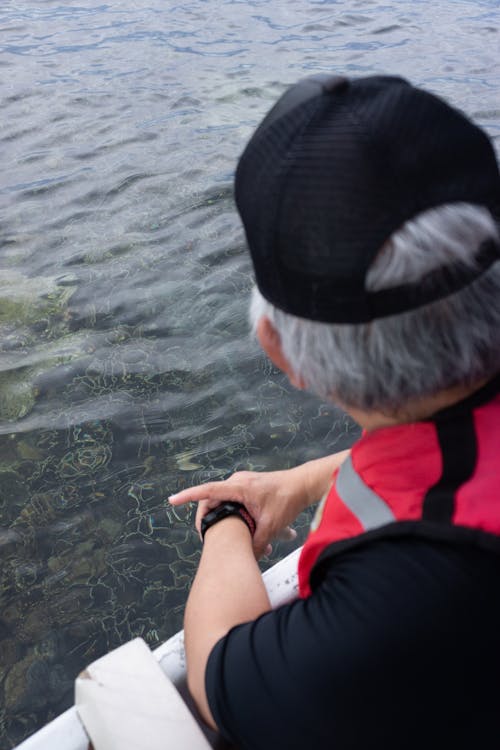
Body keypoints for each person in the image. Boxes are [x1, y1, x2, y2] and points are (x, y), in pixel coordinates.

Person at [169, 74, 500, 749]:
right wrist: (303, 482)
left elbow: (217, 671)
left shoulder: (401, 603)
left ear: (282, 352)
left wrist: (229, 520)